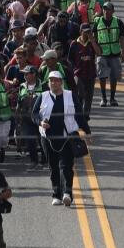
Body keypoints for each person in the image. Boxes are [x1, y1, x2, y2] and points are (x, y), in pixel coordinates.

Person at [35, 71, 87, 206]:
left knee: (66, 166)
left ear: (61, 82)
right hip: (48, 138)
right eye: (51, 80)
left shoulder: (70, 95)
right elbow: (34, 114)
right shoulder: (43, 96)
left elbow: (79, 115)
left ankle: (67, 193)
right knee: (53, 167)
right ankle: (56, 194)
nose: (54, 83)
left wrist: (87, 131)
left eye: (56, 80)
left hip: (67, 137)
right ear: (48, 83)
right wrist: (41, 122)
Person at [94, 3, 124, 107]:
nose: (106, 11)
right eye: (104, 9)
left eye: (108, 10)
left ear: (113, 11)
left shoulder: (117, 21)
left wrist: (123, 51)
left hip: (114, 53)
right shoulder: (97, 21)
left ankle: (112, 98)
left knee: (114, 76)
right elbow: (93, 36)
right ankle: (103, 98)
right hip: (102, 52)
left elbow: (122, 37)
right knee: (102, 76)